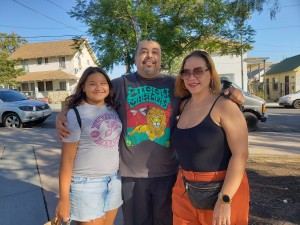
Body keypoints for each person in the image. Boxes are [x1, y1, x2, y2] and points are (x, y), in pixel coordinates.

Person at [56, 40, 245, 225]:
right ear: (136, 57)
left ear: (160, 58)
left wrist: (232, 92)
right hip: (131, 176)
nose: (150, 56)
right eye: (144, 51)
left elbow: (204, 91)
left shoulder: (176, 85)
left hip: (169, 174)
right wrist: (65, 112)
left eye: (155, 52)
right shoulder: (120, 84)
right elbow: (91, 94)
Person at [171, 50, 249, 225]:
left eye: (198, 71)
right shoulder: (182, 106)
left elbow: (241, 155)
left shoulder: (225, 106)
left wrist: (225, 199)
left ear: (211, 73)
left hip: (222, 189)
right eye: (186, 72)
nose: (192, 77)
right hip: (183, 188)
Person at [55, 67, 123, 225]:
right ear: (83, 87)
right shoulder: (75, 114)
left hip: (114, 181)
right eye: (92, 83)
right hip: (86, 185)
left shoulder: (113, 108)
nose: (99, 87)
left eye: (103, 83)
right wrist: (64, 199)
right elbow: (67, 159)